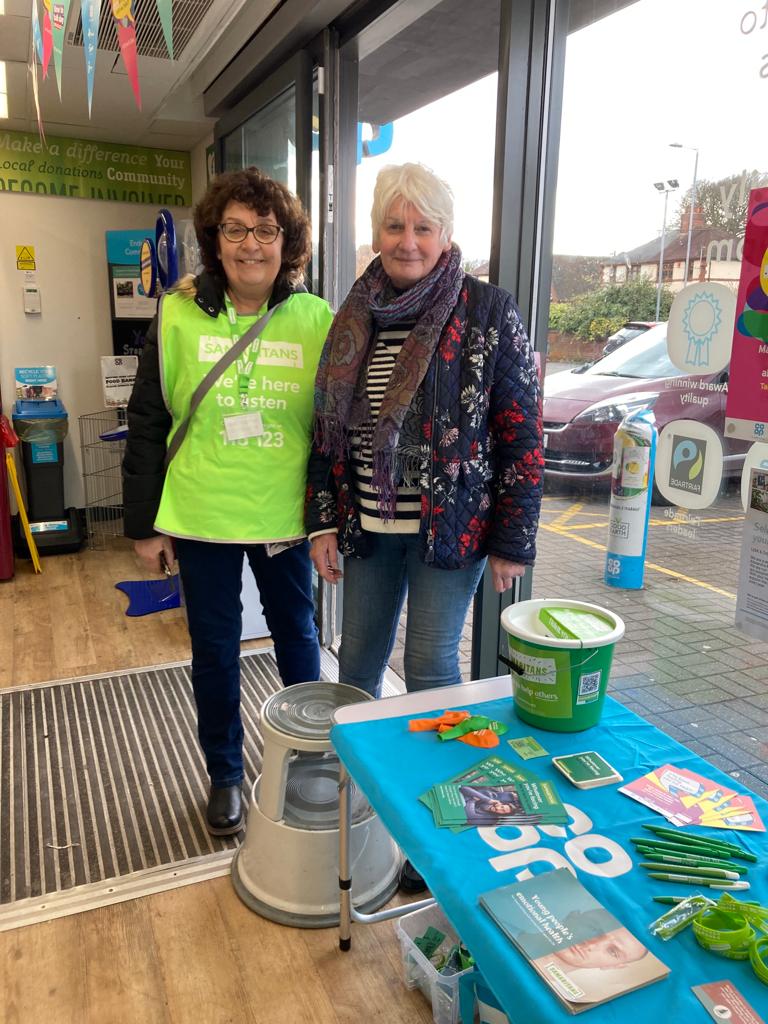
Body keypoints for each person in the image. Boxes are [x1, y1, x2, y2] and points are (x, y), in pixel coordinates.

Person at [305, 161, 543, 891]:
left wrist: (512, 541)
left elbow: (521, 430)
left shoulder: (487, 309)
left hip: (451, 534)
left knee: (436, 670)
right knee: (357, 668)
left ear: (445, 233)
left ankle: (447, 836)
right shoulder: (354, 310)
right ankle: (360, 806)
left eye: (423, 226)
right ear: (375, 231)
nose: (407, 240)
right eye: (393, 225)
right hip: (370, 528)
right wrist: (321, 523)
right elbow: (324, 432)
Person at [122, 168, 333, 837]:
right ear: (215, 240)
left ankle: (306, 758)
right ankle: (225, 774)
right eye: (235, 230)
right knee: (213, 649)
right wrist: (144, 526)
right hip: (199, 514)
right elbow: (149, 417)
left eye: (265, 231)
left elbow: (335, 429)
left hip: (283, 517)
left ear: (287, 242)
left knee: (299, 640)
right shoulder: (178, 311)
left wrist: (332, 520)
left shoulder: (317, 319)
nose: (250, 245)